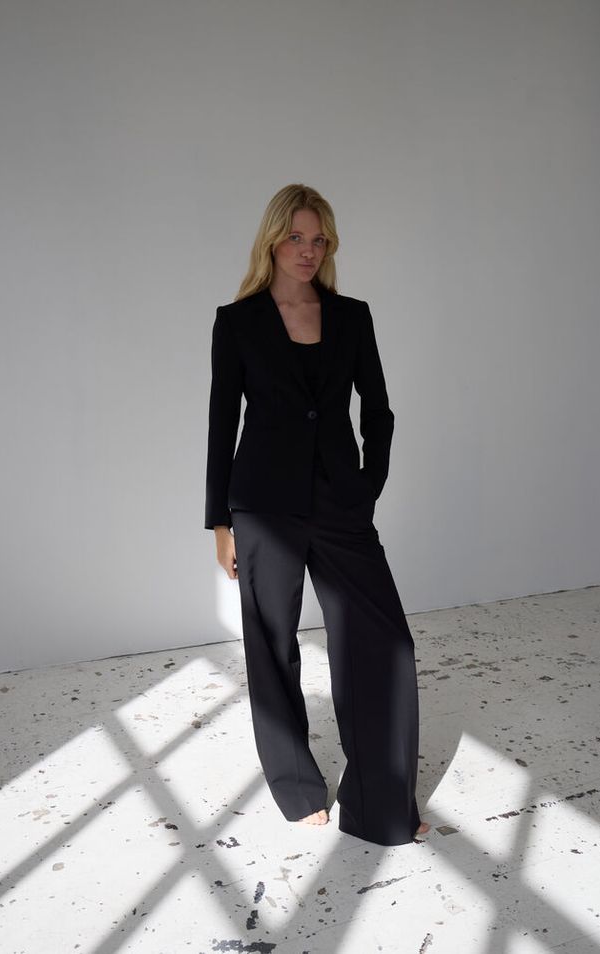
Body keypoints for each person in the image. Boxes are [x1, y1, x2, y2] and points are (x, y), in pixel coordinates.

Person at [204, 183, 429, 846]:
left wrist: (367, 486)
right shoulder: (238, 322)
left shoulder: (352, 317)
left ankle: (379, 803)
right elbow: (222, 425)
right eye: (296, 237)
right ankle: (296, 786)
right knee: (272, 647)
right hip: (262, 505)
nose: (309, 250)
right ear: (273, 240)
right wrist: (219, 522)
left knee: (383, 645)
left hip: (339, 504)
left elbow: (378, 410)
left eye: (320, 239)